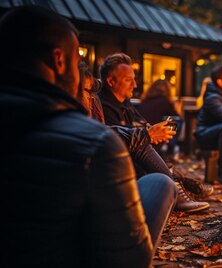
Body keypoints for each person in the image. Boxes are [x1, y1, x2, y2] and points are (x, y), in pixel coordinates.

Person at [0, 6, 175, 267]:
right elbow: (129, 260)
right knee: (160, 183)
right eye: (77, 62)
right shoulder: (95, 144)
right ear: (58, 60)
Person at [98, 53, 210, 212]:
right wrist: (147, 133)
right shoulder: (102, 106)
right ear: (110, 81)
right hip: (117, 162)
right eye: (129, 80)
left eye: (134, 79)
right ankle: (178, 191)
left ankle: (182, 184)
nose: (135, 85)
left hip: (135, 158)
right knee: (141, 142)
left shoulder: (125, 103)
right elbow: (116, 139)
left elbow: (142, 124)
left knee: (147, 140)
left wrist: (154, 130)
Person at [138, 79, 183, 155]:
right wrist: (178, 108)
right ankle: (170, 149)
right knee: (177, 121)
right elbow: (177, 116)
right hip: (156, 134)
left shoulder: (145, 100)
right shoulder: (165, 101)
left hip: (142, 133)